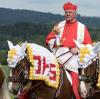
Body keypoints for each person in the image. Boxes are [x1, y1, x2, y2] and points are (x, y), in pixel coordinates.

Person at [45, 2, 92, 99]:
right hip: (57, 56)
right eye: (66, 12)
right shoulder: (59, 25)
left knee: (75, 78)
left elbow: (89, 46)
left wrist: (78, 49)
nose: (68, 14)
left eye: (70, 12)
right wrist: (55, 42)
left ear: (75, 13)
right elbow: (48, 40)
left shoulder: (82, 27)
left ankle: (78, 96)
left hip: (74, 59)